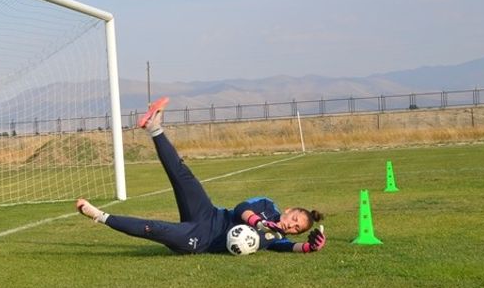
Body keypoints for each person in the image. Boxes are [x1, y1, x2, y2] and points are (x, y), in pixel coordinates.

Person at [76, 97, 326, 255]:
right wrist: (259, 222)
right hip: (209, 214)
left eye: (296, 228)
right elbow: (241, 208)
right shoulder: (267, 205)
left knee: (156, 229)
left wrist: (309, 247)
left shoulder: (275, 238)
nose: (291, 225)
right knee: (183, 175)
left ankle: (100, 215)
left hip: (202, 240)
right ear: (289, 210)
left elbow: (289, 247)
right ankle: (154, 127)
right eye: (294, 219)